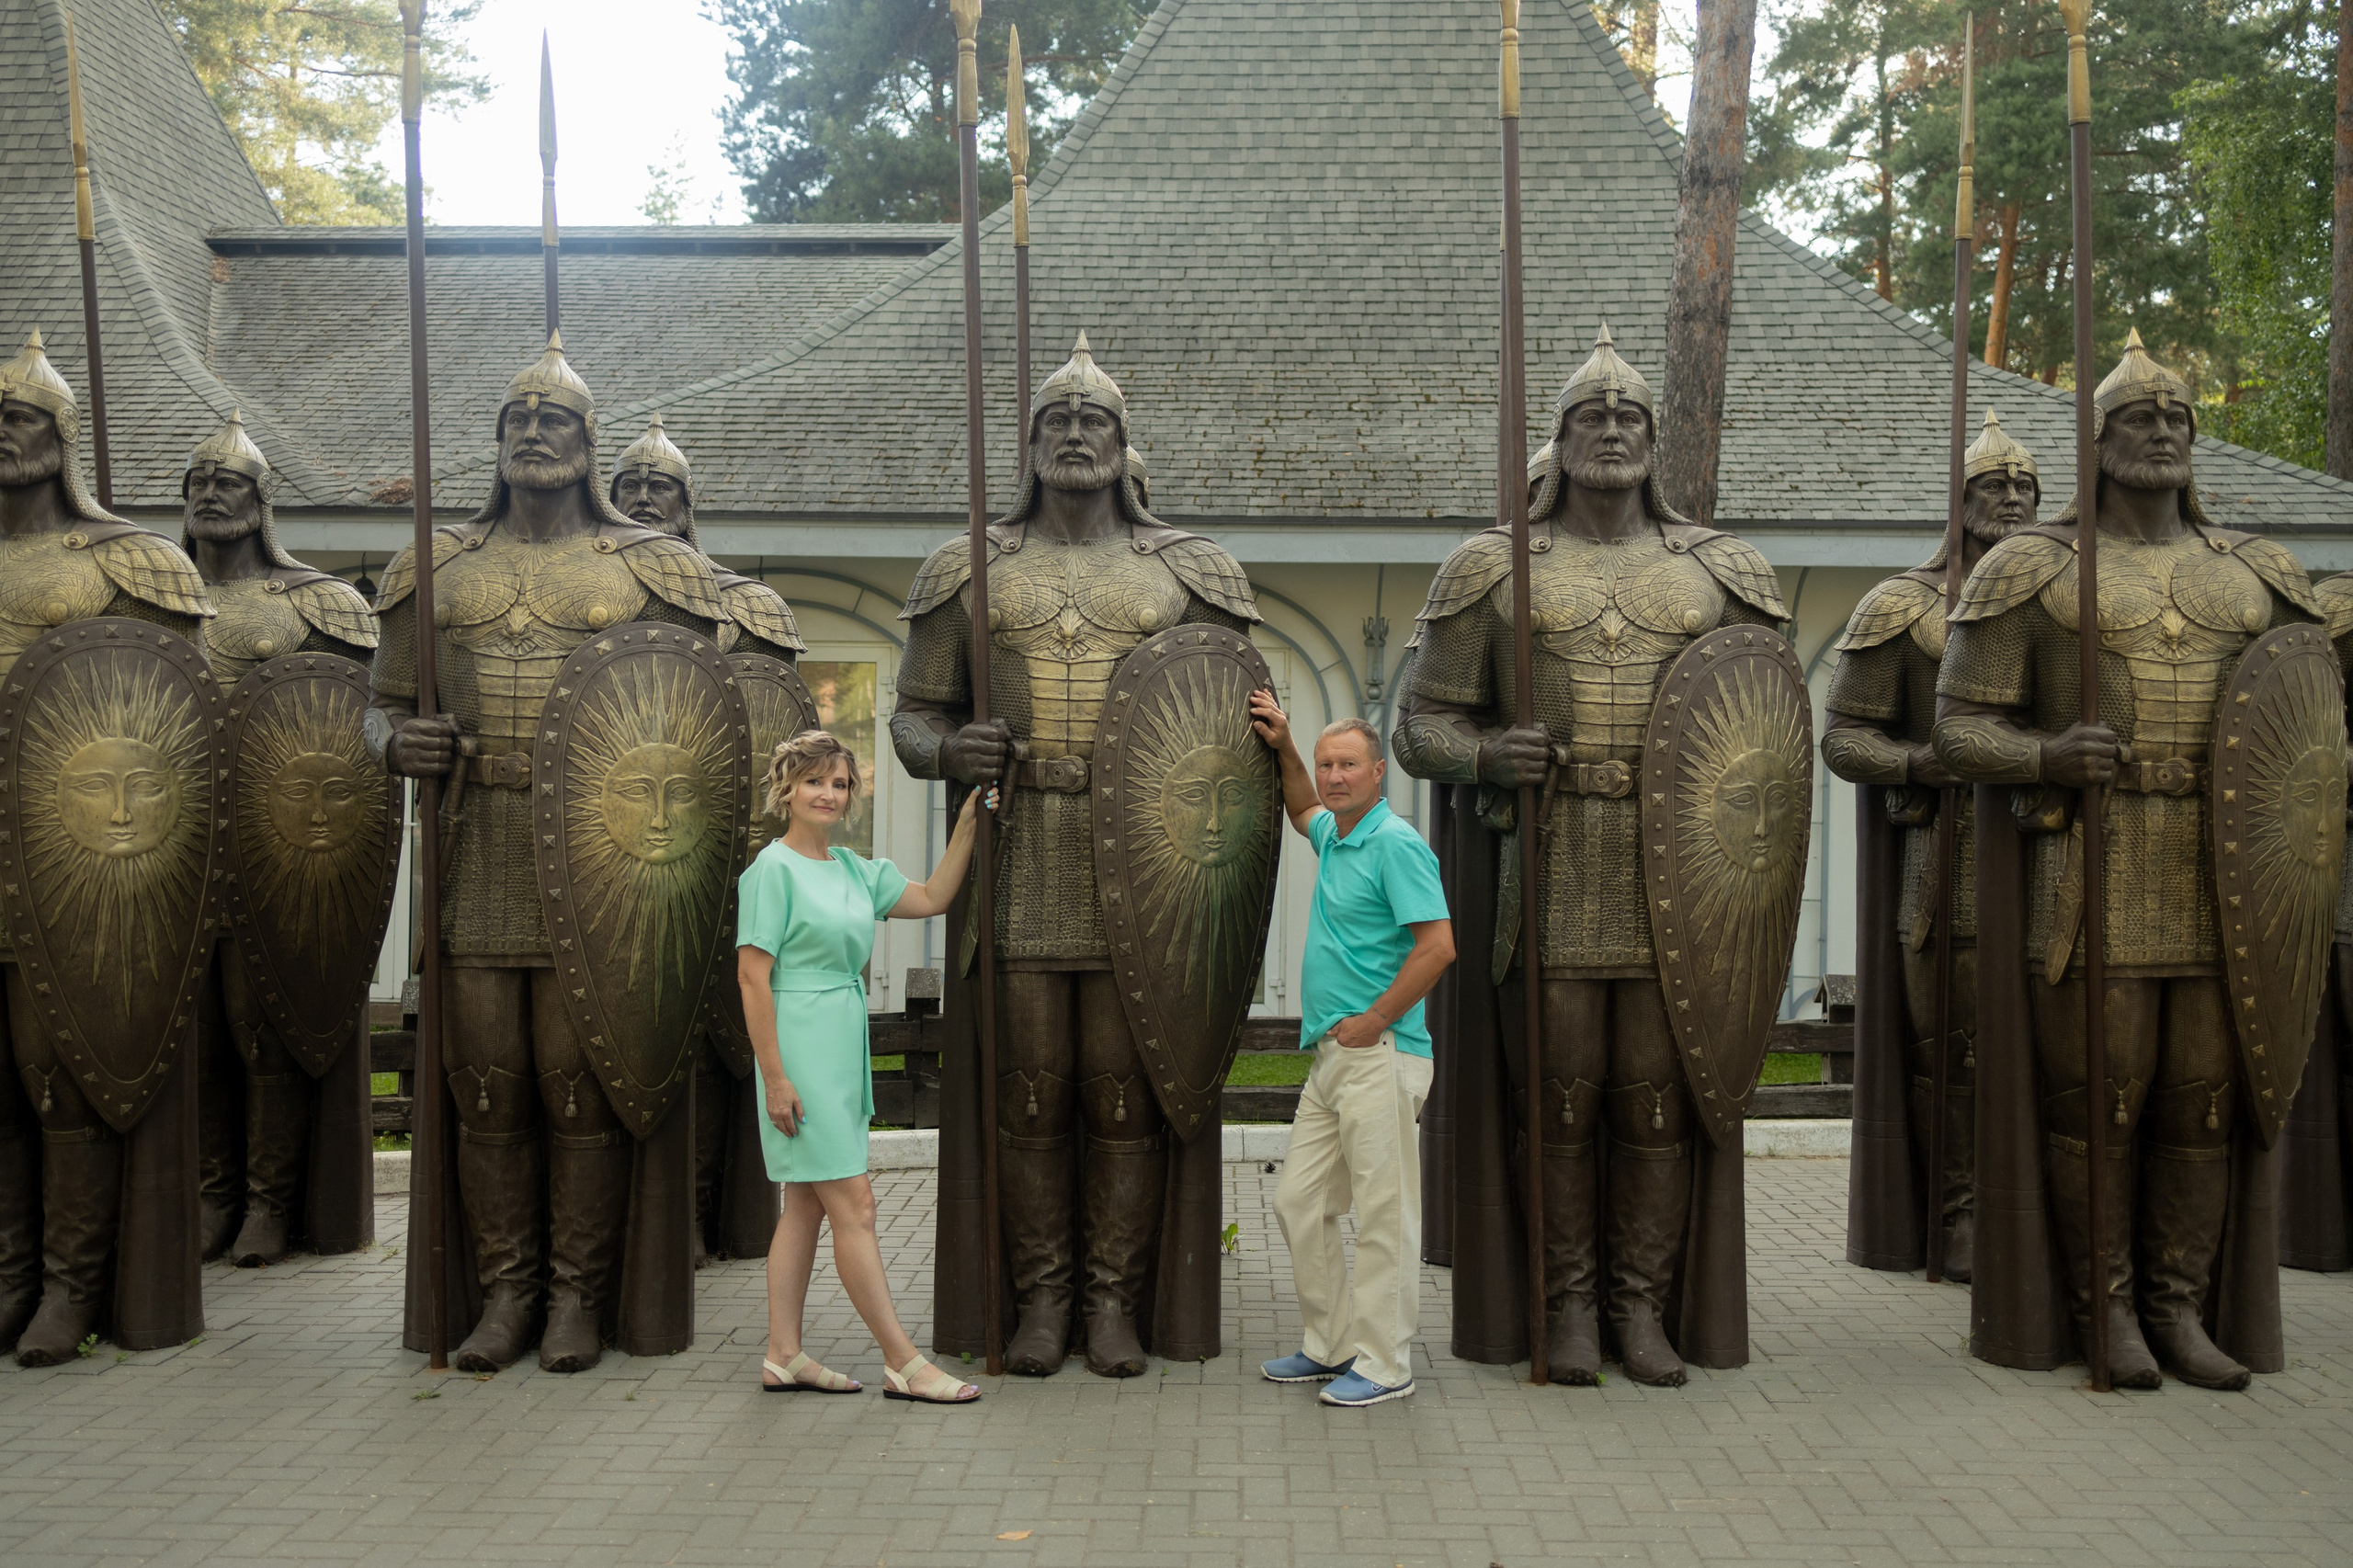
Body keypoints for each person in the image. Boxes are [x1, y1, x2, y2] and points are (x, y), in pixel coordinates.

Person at [1394, 326, 1805, 1387]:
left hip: (1689, 877)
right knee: (1562, 1098)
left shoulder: (1719, 570)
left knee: (1655, 1100)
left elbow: (1767, 717)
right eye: (1591, 415)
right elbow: (1420, 722)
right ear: (1561, 435)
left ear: (1655, 440)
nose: (1612, 428)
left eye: (1629, 415)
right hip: (1556, 867)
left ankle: (1639, 1307)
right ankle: (1567, 1304)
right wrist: (1487, 752)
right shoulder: (1495, 567)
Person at [1934, 330, 2328, 1390]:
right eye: (2139, 419)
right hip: (2091, 876)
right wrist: (2046, 755)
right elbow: (1958, 727)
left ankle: (2177, 1305)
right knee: (2097, 1102)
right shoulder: (2034, 568)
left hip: (2225, 878)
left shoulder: (2256, 574)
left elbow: (2313, 713)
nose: (2161, 432)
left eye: (2175, 418)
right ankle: (2101, 1306)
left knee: (2200, 1101)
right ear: (2096, 441)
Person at [372, 333, 733, 1373]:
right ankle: (506, 1293)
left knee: (580, 1083)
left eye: (556, 419)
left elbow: (698, 717)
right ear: (496, 439)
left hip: (606, 858)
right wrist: (396, 742)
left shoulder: (655, 568)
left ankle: (578, 1294)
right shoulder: (435, 564)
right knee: (488, 1085)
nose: (534, 432)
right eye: (518, 419)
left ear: (588, 439)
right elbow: (377, 702)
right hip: (480, 846)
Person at [1823, 410, 2041, 1282]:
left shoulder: (2072, 594)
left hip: (2056, 856)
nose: (2013, 499)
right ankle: (1958, 1212)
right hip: (1947, 863)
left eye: (2026, 486)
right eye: (1994, 485)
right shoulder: (1904, 606)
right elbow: (1845, 739)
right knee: (1953, 1053)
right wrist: (1919, 760)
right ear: (1959, 500)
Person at [735, 730, 994, 1403]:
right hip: (798, 1048)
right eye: (814, 780)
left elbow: (933, 896)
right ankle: (903, 1362)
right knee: (856, 1203)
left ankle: (783, 1354)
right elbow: (752, 978)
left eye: (840, 783)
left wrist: (967, 824)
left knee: (804, 1205)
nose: (828, 793)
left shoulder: (855, 869)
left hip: (839, 1048)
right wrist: (776, 1079)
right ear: (787, 788)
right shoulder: (771, 870)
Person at [181, 412, 384, 1269]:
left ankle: (270, 1203)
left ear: (261, 500)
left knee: (262, 1028)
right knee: (192, 1035)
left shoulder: (319, 604)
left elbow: (367, 722)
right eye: (200, 481)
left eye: (229, 482)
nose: (211, 494)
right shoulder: (156, 593)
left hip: (282, 851)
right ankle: (211, 1196)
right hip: (171, 846)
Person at [1249, 699, 1454, 1408]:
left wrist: (1376, 1018)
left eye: (1348, 765)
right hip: (1334, 1060)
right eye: (1327, 763)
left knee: (1383, 1214)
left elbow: (1438, 947)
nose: (1335, 777)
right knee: (1299, 1202)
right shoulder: (1338, 835)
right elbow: (1302, 806)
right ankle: (1332, 1345)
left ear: (1378, 773)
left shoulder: (1394, 843)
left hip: (1382, 1053)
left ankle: (1386, 1364)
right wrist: (1286, 748)